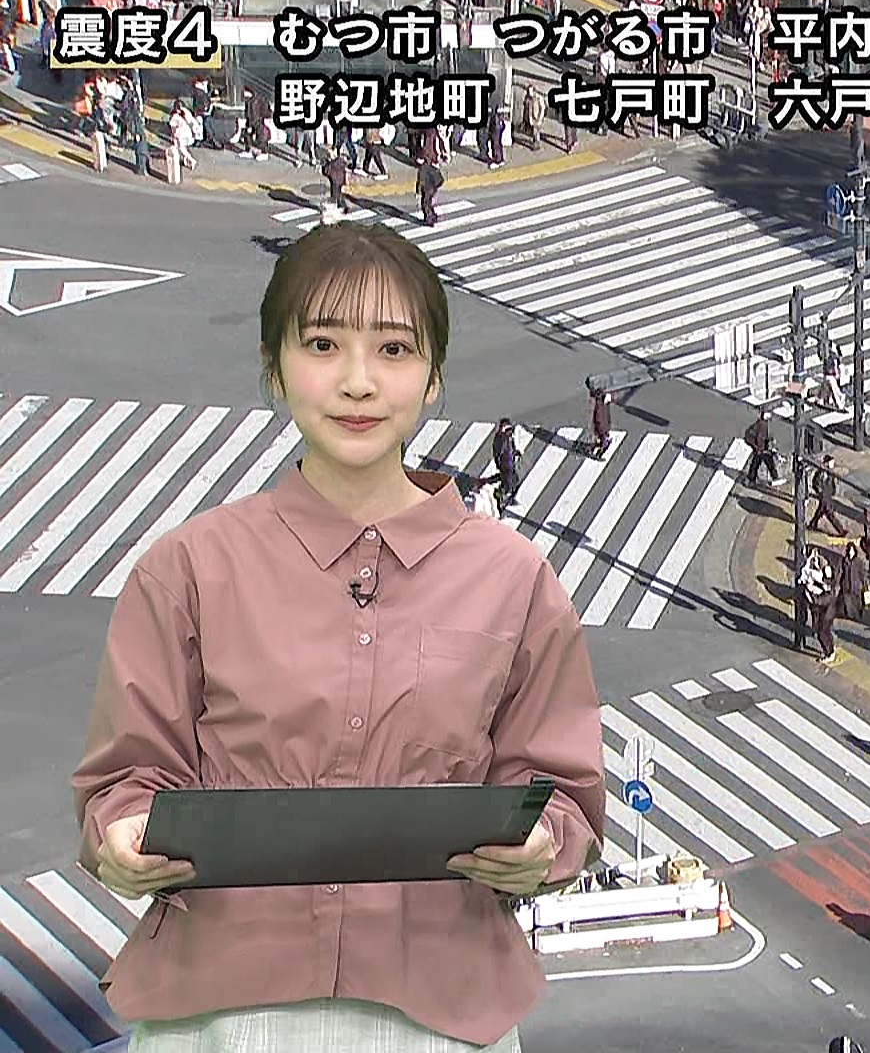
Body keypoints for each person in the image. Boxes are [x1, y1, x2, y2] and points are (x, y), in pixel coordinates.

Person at [70, 224, 605, 1052]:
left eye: (394, 349)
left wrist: (544, 845)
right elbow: (126, 777)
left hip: (442, 1017)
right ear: (273, 365)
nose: (359, 382)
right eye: (322, 344)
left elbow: (564, 792)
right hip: (219, 1019)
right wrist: (122, 833)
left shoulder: (514, 578)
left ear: (434, 377)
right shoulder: (188, 568)